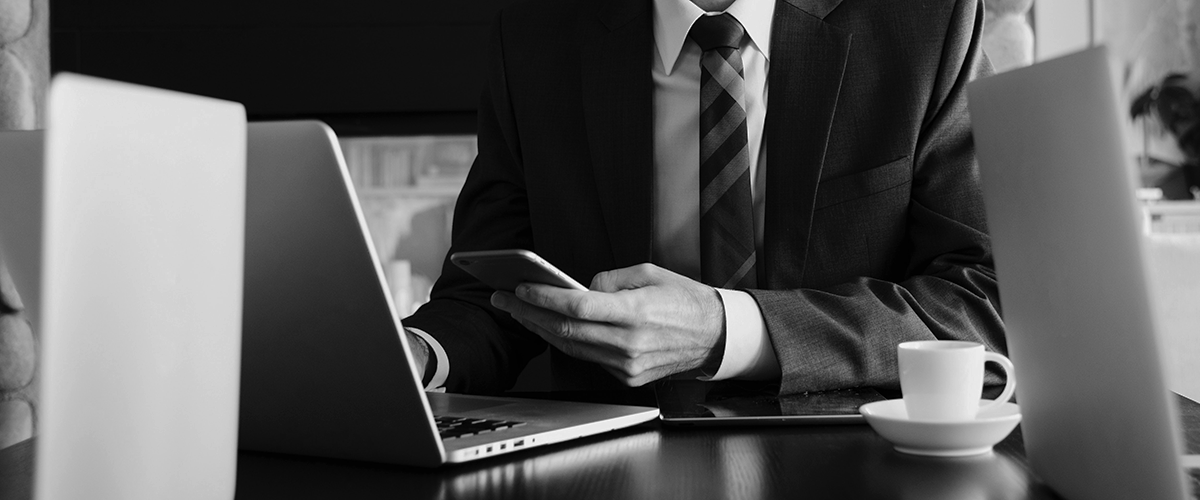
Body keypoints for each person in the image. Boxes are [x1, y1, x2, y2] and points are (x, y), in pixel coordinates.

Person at [401, 0, 1005, 395]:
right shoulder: (536, 33)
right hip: (605, 462)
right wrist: (418, 355)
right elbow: (489, 294)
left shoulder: (926, 21)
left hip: (852, 456)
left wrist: (728, 330)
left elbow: (984, 298)